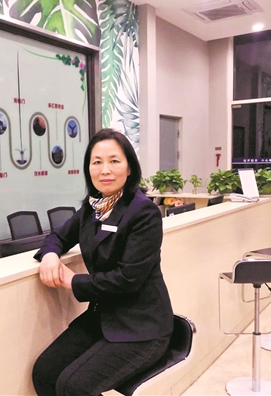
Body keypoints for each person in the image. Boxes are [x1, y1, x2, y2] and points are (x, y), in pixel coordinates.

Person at [32, 128, 173, 396]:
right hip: (103, 317)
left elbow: (128, 279)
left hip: (142, 327)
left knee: (73, 386)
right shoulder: (93, 207)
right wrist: (50, 255)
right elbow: (58, 236)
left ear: (129, 168)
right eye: (97, 162)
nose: (104, 170)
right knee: (44, 373)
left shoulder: (144, 212)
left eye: (114, 161)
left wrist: (74, 281)